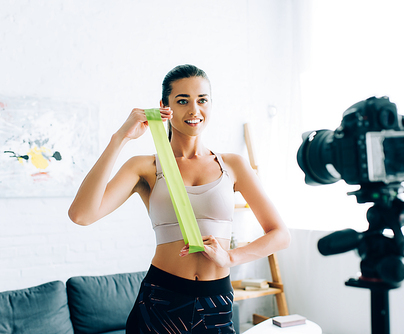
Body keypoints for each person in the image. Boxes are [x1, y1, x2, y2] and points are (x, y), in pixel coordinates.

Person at [68, 64, 291, 334]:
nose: (194, 110)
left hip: (216, 299)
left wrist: (230, 257)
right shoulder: (146, 166)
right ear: (165, 106)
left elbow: (280, 234)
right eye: (183, 101)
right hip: (161, 298)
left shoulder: (232, 165)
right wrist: (120, 138)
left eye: (202, 100)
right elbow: (81, 215)